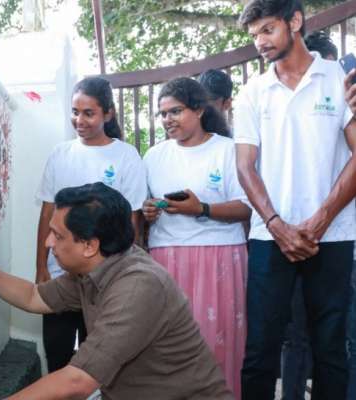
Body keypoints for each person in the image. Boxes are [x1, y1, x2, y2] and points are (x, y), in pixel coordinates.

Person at [0, 183, 233, 399]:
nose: (48, 242)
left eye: (58, 235)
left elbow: (78, 381)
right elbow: (33, 297)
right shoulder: (97, 267)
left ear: (89, 245)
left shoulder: (137, 286)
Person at [235, 1, 356, 399]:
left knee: (331, 349)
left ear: (295, 21)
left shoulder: (338, 80)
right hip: (271, 238)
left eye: (267, 30)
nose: (260, 43)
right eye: (254, 36)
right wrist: (276, 225)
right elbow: (245, 167)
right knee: (260, 350)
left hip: (333, 234)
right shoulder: (252, 91)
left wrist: (320, 220)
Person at [141, 77, 250, 397]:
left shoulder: (227, 150)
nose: (167, 120)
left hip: (220, 257)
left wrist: (200, 208)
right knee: (166, 344)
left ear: (200, 109)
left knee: (218, 342)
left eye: (175, 111)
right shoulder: (154, 155)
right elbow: (145, 206)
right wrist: (151, 211)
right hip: (166, 256)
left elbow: (246, 207)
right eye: (162, 114)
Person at [34, 77, 147, 373]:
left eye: (88, 113)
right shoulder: (61, 154)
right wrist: (42, 267)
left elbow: (131, 222)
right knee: (57, 355)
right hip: (61, 276)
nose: (79, 120)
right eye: (74, 112)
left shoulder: (126, 156)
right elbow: (47, 215)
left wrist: (120, 275)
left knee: (98, 365)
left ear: (107, 114)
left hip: (104, 280)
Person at [280, 29, 338, 400]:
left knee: (337, 336)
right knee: (296, 335)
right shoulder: (278, 117)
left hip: (339, 239)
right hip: (288, 238)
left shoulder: (343, 107)